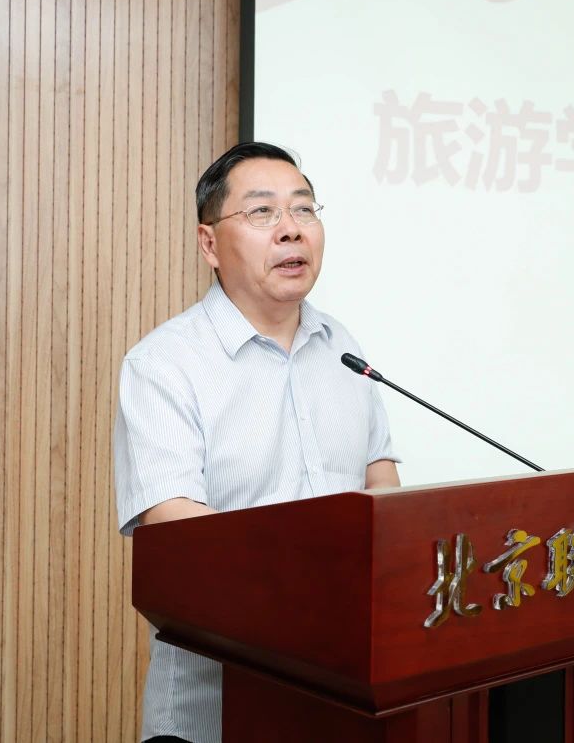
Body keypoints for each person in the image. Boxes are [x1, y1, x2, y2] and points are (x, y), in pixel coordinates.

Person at [114, 141, 400, 743]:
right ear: (209, 244)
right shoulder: (165, 363)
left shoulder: (343, 348)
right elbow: (179, 528)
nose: (291, 229)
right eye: (262, 212)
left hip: (345, 699)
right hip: (217, 709)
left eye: (304, 209)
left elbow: (381, 484)